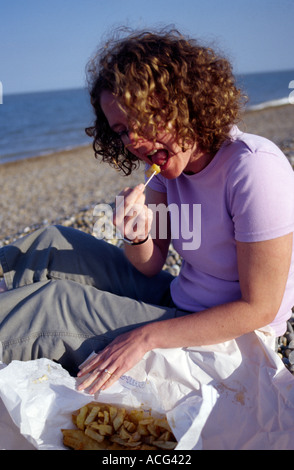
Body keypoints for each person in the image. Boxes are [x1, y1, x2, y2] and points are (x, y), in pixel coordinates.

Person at [1, 28, 294, 396]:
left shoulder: (253, 169)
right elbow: (150, 263)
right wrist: (135, 233)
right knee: (48, 243)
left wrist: (146, 337)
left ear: (183, 101)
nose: (134, 143)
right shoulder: (167, 166)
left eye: (143, 120)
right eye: (122, 130)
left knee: (51, 306)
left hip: (232, 344)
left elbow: (260, 309)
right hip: (178, 301)